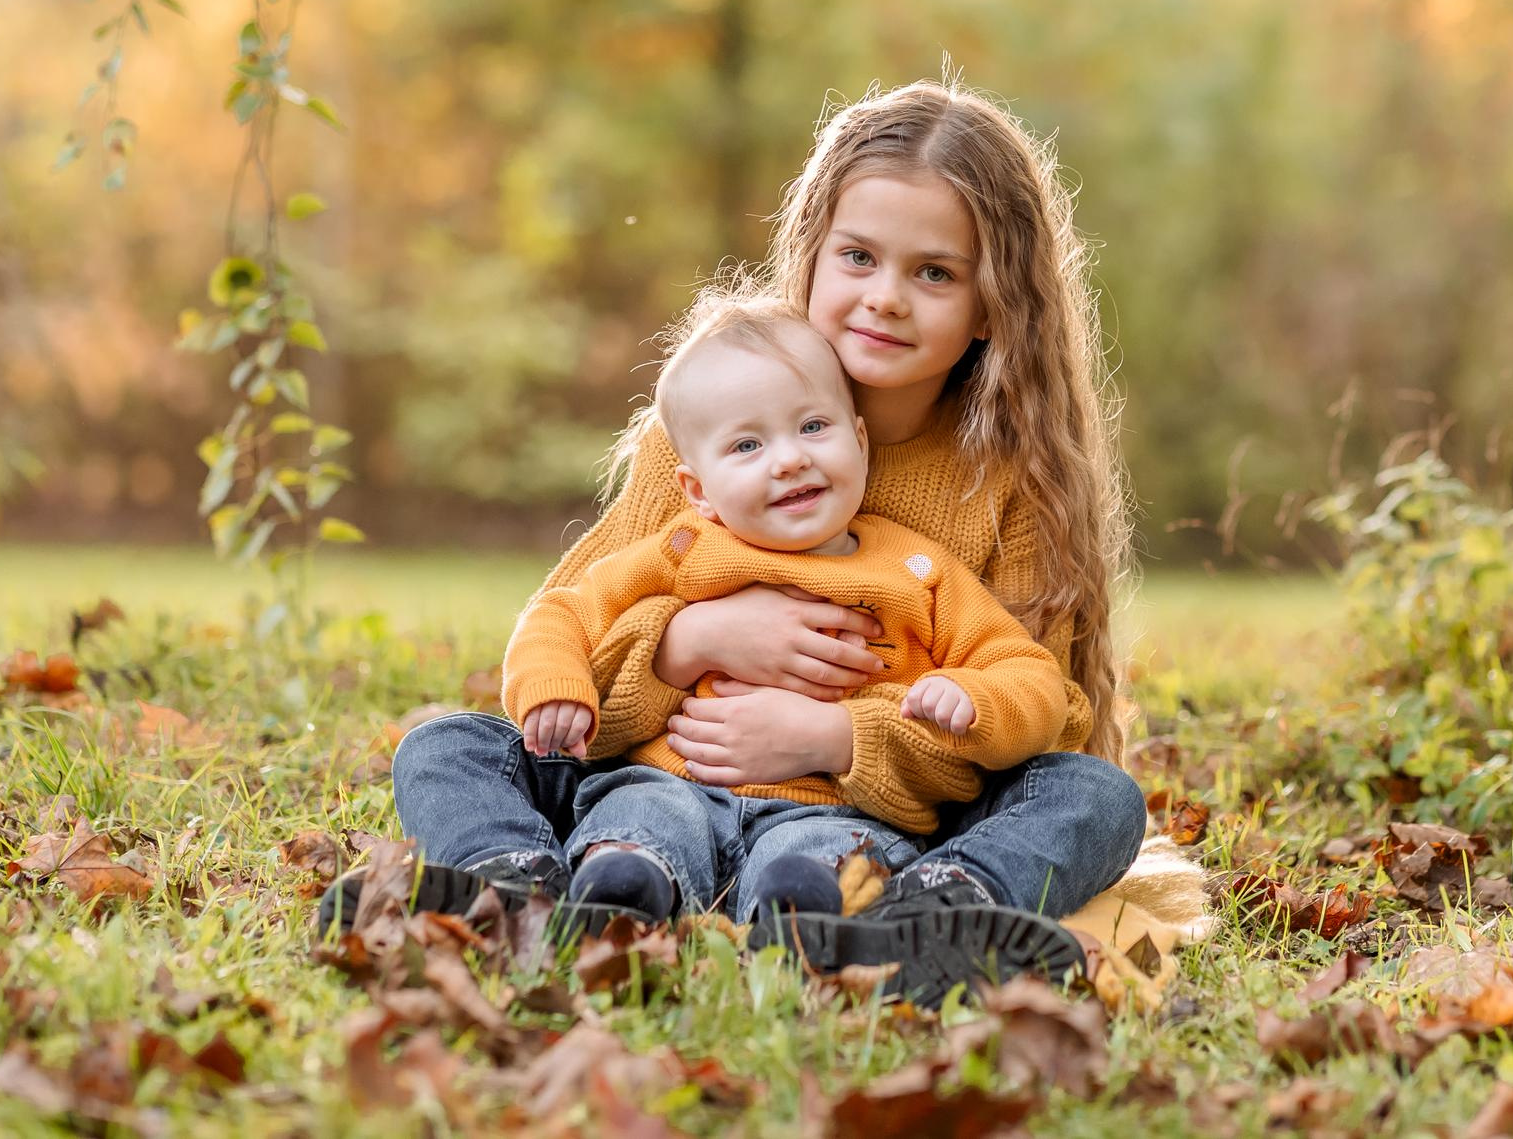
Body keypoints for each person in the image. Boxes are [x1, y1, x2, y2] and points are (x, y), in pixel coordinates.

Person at [333, 78, 1145, 1004]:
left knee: (1095, 795)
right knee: (448, 744)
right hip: (661, 778)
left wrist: (839, 733)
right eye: (858, 256)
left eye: (934, 272)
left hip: (875, 816)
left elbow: (1029, 717)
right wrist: (695, 643)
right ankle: (516, 881)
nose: (886, 298)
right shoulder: (705, 428)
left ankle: (930, 911)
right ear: (812, 254)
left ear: (993, 302)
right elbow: (561, 675)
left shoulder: (1007, 479)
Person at [501, 295, 1084, 979]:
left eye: (813, 426)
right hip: (676, 780)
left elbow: (1029, 671)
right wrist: (557, 685)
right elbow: (563, 611)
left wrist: (972, 694)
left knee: (822, 853)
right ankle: (623, 895)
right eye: (749, 445)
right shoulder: (685, 548)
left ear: (859, 441)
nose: (789, 460)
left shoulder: (917, 570)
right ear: (698, 489)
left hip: (826, 803)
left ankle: (798, 918)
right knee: (637, 815)